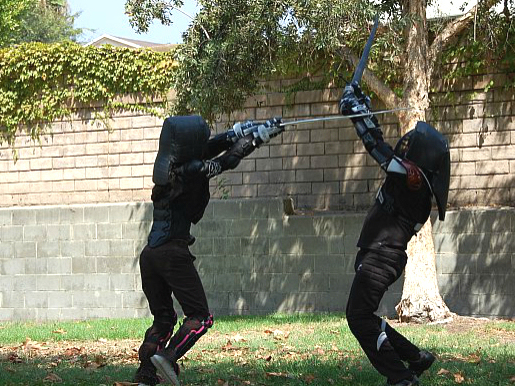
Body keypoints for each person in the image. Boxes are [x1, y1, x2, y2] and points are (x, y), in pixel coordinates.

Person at [133, 115, 283, 386]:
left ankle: (146, 375)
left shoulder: (168, 169)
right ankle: (168, 358)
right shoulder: (191, 171)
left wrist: (240, 130)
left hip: (150, 255)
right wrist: (257, 139)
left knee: (164, 318)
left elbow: (213, 147)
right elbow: (226, 161)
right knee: (201, 317)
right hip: (172, 254)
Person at [339, 82, 450, 386]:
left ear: (420, 165)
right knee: (364, 316)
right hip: (381, 255)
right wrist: (361, 105)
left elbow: (379, 151)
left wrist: (354, 113)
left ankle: (401, 378)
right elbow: (383, 146)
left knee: (359, 318)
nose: (406, 147)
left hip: (380, 256)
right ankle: (416, 358)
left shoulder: (412, 187)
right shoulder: (411, 185)